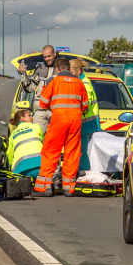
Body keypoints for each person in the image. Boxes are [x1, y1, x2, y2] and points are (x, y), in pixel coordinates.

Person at [34, 57, 89, 197]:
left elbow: (43, 103)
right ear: (69, 68)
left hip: (59, 119)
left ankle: (45, 187)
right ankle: (69, 188)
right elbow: (85, 105)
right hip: (75, 120)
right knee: (72, 152)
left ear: (57, 69)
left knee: (51, 151)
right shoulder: (79, 82)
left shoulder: (54, 80)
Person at [69, 59, 100, 173]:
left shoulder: (84, 83)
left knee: (82, 153)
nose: (69, 74)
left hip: (85, 124)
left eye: (71, 72)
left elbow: (84, 104)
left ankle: (85, 176)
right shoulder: (80, 81)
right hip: (84, 123)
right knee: (80, 152)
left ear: (78, 71)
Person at [18, 45, 57, 134]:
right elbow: (29, 88)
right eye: (45, 57)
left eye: (49, 56)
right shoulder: (39, 69)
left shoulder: (60, 69)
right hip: (40, 110)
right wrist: (22, 74)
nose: (47, 59)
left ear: (54, 54)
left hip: (54, 110)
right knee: (37, 136)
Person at [7, 109, 43, 179]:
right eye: (29, 116)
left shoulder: (12, 135)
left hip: (21, 169)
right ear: (22, 118)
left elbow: (10, 155)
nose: (32, 117)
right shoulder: (36, 127)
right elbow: (44, 143)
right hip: (40, 165)